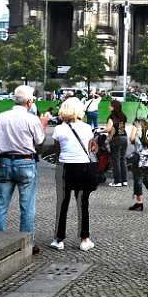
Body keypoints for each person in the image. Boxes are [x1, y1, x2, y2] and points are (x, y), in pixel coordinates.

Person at [0, 85, 50, 254]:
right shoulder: (32, 120)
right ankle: (27, 242)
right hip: (26, 162)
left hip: (5, 162)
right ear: (29, 101)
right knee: (27, 205)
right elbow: (39, 142)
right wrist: (43, 125)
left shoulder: (1, 117)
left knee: (1, 203)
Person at [50, 97, 98, 252]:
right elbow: (91, 148)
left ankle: (59, 239)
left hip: (65, 167)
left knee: (62, 203)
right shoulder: (87, 128)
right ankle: (85, 239)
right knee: (83, 203)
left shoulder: (59, 129)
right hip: (83, 166)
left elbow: (57, 151)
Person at [105, 99, 129, 187]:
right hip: (124, 138)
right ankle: (124, 180)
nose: (109, 107)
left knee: (116, 160)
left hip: (116, 139)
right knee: (123, 159)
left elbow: (108, 129)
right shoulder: (122, 116)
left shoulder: (112, 117)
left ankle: (117, 181)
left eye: (110, 105)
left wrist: (100, 130)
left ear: (113, 107)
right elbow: (120, 128)